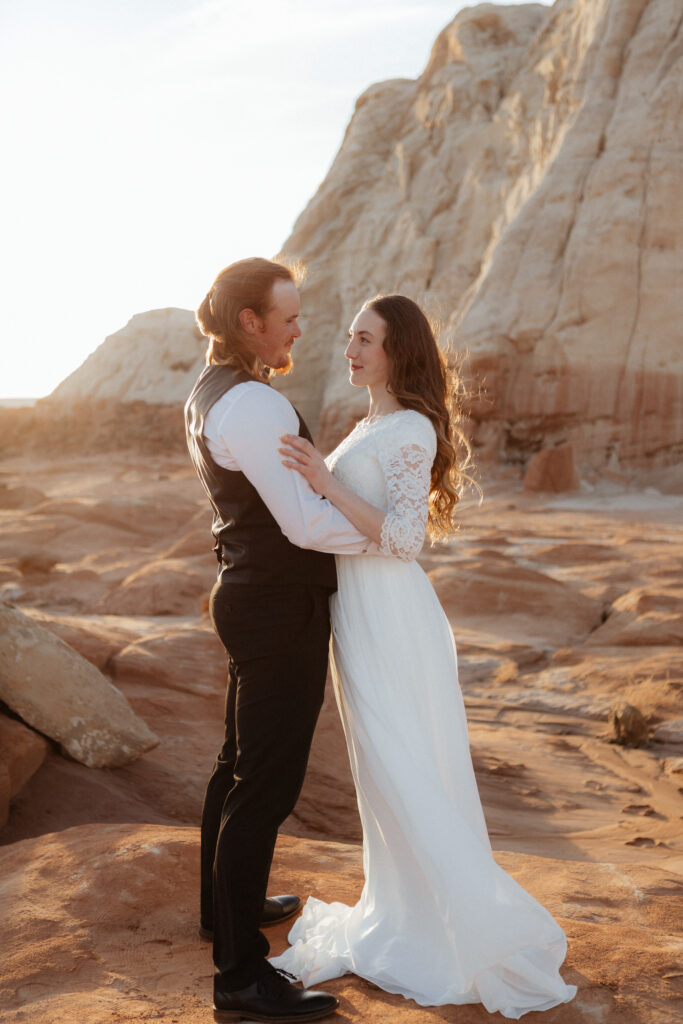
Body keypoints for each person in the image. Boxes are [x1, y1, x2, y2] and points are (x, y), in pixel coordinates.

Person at [273, 294, 577, 1019]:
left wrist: (321, 480)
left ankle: (461, 933)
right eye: (348, 336)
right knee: (382, 775)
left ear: (397, 351)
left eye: (365, 339)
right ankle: (407, 916)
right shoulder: (373, 421)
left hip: (391, 614)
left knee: (401, 766)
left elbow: (407, 538)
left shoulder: (407, 427)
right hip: (360, 611)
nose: (349, 349)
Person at [185, 257, 383, 1023]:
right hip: (275, 606)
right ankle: (240, 974)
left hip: (247, 594)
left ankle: (220, 910)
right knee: (264, 784)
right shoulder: (254, 405)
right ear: (249, 322)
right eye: (289, 317)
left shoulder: (209, 392)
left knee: (238, 764)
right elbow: (302, 523)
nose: (301, 329)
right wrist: (386, 538)